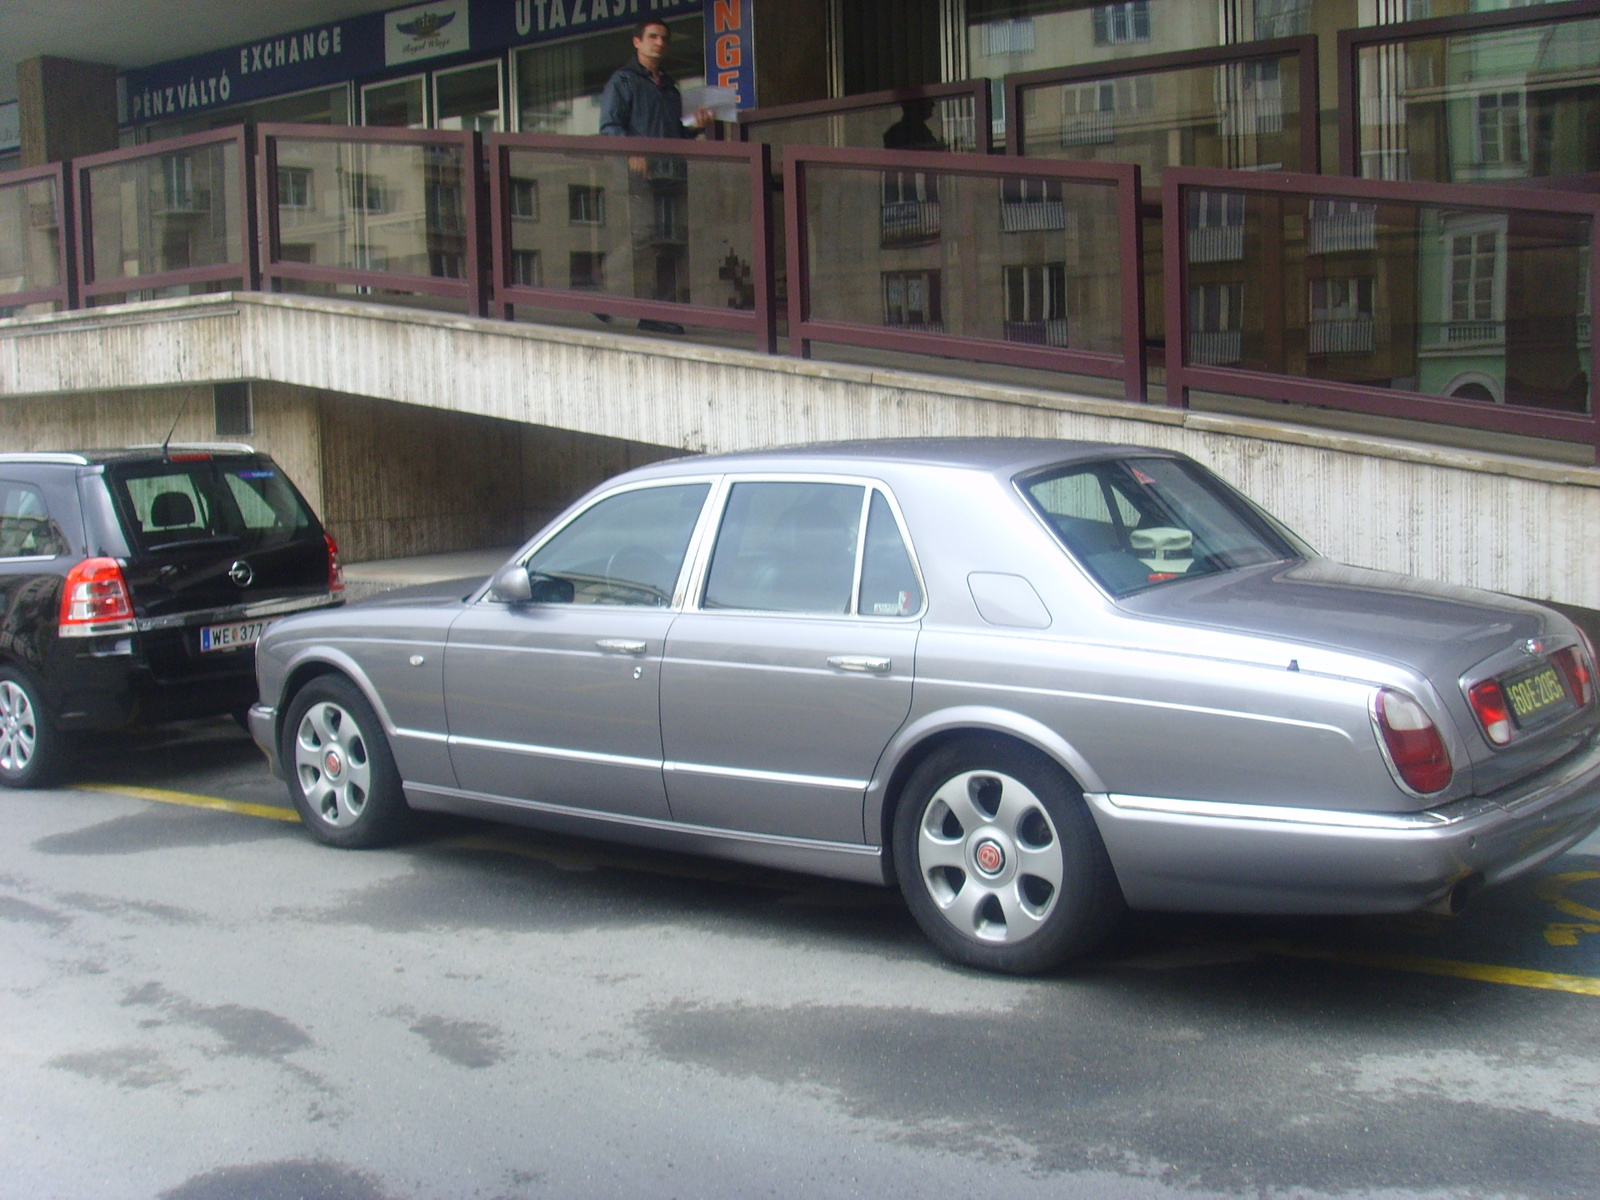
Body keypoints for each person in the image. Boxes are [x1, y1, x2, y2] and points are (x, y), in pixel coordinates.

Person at [597, 20, 713, 336]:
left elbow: (676, 136)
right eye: (652, 37)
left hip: (670, 175)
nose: (659, 43)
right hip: (638, 174)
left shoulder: (670, 87)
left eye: (664, 38)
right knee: (643, 236)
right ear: (637, 42)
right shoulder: (623, 81)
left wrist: (697, 127)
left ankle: (657, 312)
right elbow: (609, 127)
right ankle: (601, 286)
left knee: (671, 245)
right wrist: (633, 150)